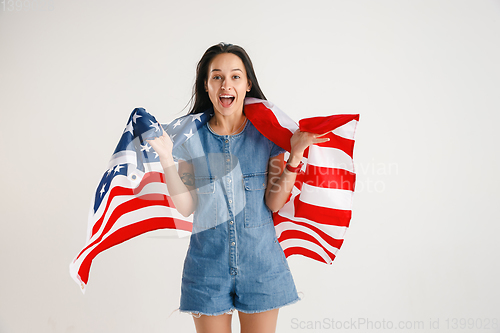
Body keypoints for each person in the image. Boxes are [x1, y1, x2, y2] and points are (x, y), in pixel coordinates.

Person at [147, 42, 328, 333]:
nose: (225, 84)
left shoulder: (268, 136)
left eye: (234, 76)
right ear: (206, 86)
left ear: (247, 85)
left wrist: (294, 155)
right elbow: (186, 206)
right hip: (206, 269)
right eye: (216, 76)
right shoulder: (189, 138)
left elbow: (273, 203)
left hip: (262, 266)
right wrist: (167, 158)